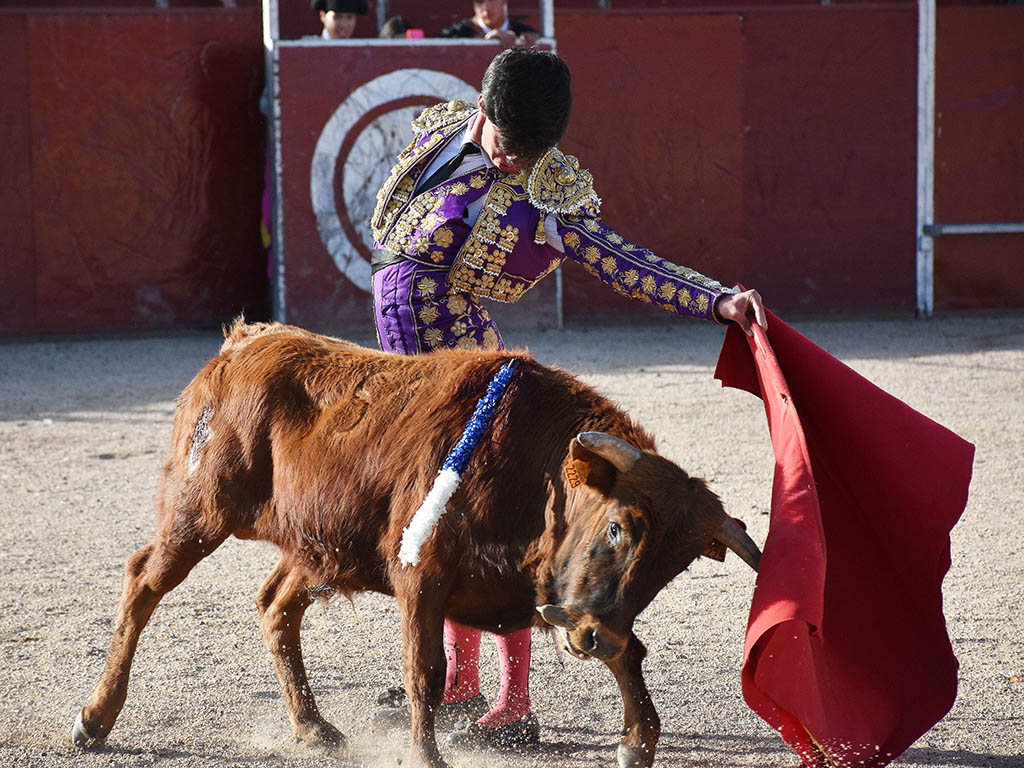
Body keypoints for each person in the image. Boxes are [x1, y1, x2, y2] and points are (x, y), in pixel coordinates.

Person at [369, 48, 766, 749]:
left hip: (460, 367)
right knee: (440, 525)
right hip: (408, 367)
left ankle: (514, 700)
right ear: (483, 113)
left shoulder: (551, 194)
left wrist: (717, 300)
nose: (517, 163)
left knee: (484, 522)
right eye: (506, 146)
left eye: (531, 151)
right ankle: (460, 684)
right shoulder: (442, 131)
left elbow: (626, 261)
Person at [440, 0, 539, 48]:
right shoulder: (457, 32)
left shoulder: (522, 31)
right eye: (480, 1)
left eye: (492, 0)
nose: (486, 7)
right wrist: (484, 40)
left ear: (504, 1)